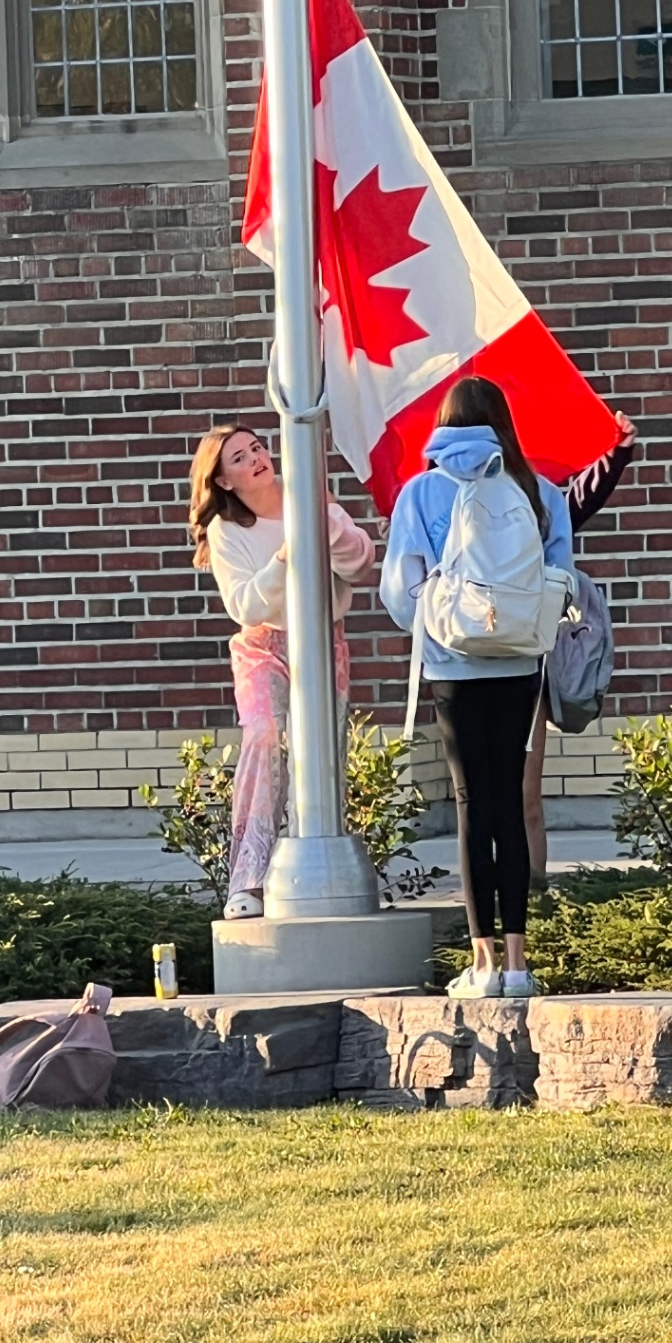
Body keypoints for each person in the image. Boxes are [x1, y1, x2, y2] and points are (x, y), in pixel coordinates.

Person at [381, 377, 573, 998]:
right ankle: (519, 966)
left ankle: (483, 964)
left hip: (451, 666)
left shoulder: (421, 492)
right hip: (519, 663)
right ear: (502, 424)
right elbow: (561, 578)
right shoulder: (538, 491)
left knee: (472, 806)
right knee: (510, 803)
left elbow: (400, 598)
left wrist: (439, 613)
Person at [189, 423, 374, 921]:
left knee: (322, 754)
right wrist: (284, 556)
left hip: (321, 638)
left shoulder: (309, 498)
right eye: (239, 458)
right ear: (224, 481)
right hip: (263, 646)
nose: (255, 458)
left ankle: (306, 870)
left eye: (256, 448)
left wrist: (323, 524)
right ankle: (247, 879)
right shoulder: (229, 529)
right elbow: (245, 604)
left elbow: (360, 564)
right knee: (265, 737)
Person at [525, 410, 637, 882]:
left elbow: (570, 509)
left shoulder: (533, 501)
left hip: (524, 662)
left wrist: (615, 454)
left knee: (524, 797)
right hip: (464, 669)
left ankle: (529, 908)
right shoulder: (445, 496)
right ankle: (490, 920)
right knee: (483, 799)